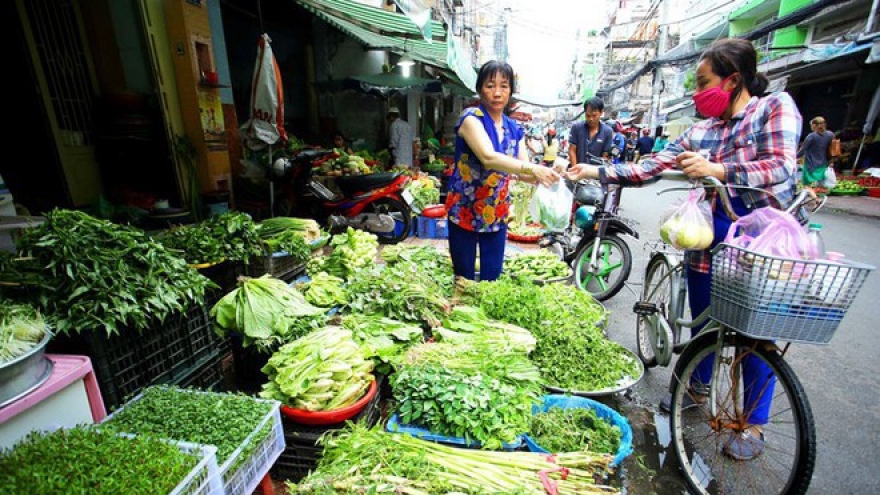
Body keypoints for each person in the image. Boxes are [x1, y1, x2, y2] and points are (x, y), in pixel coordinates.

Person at [566, 38, 803, 461]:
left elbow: (782, 165)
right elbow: (648, 168)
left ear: (732, 80)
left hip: (761, 242)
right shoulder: (701, 130)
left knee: (755, 338)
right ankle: (696, 385)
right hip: (708, 237)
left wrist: (720, 169)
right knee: (705, 322)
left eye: (703, 82)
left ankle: (752, 423)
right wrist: (598, 170)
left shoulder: (775, 108)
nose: (697, 93)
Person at [444, 60, 559, 281]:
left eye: (504, 86)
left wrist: (550, 173)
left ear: (511, 92)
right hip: (464, 211)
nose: (497, 92)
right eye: (490, 85)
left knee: (492, 279)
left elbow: (523, 173)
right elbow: (488, 158)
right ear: (479, 89)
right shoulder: (471, 119)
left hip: (496, 212)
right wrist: (534, 169)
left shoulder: (514, 128)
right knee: (463, 279)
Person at [568, 97, 614, 166]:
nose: (591, 119)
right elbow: (572, 150)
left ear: (601, 112)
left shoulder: (608, 132)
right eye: (588, 115)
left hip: (595, 173)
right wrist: (575, 170)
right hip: (577, 172)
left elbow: (605, 157)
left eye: (594, 115)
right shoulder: (576, 127)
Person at [797, 116, 834, 187]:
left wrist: (793, 157)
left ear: (814, 125)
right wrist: (831, 161)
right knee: (821, 185)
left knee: (807, 186)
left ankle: (814, 197)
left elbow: (803, 150)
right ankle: (820, 196)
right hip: (823, 164)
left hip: (810, 165)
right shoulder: (830, 134)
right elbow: (832, 149)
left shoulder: (811, 136)